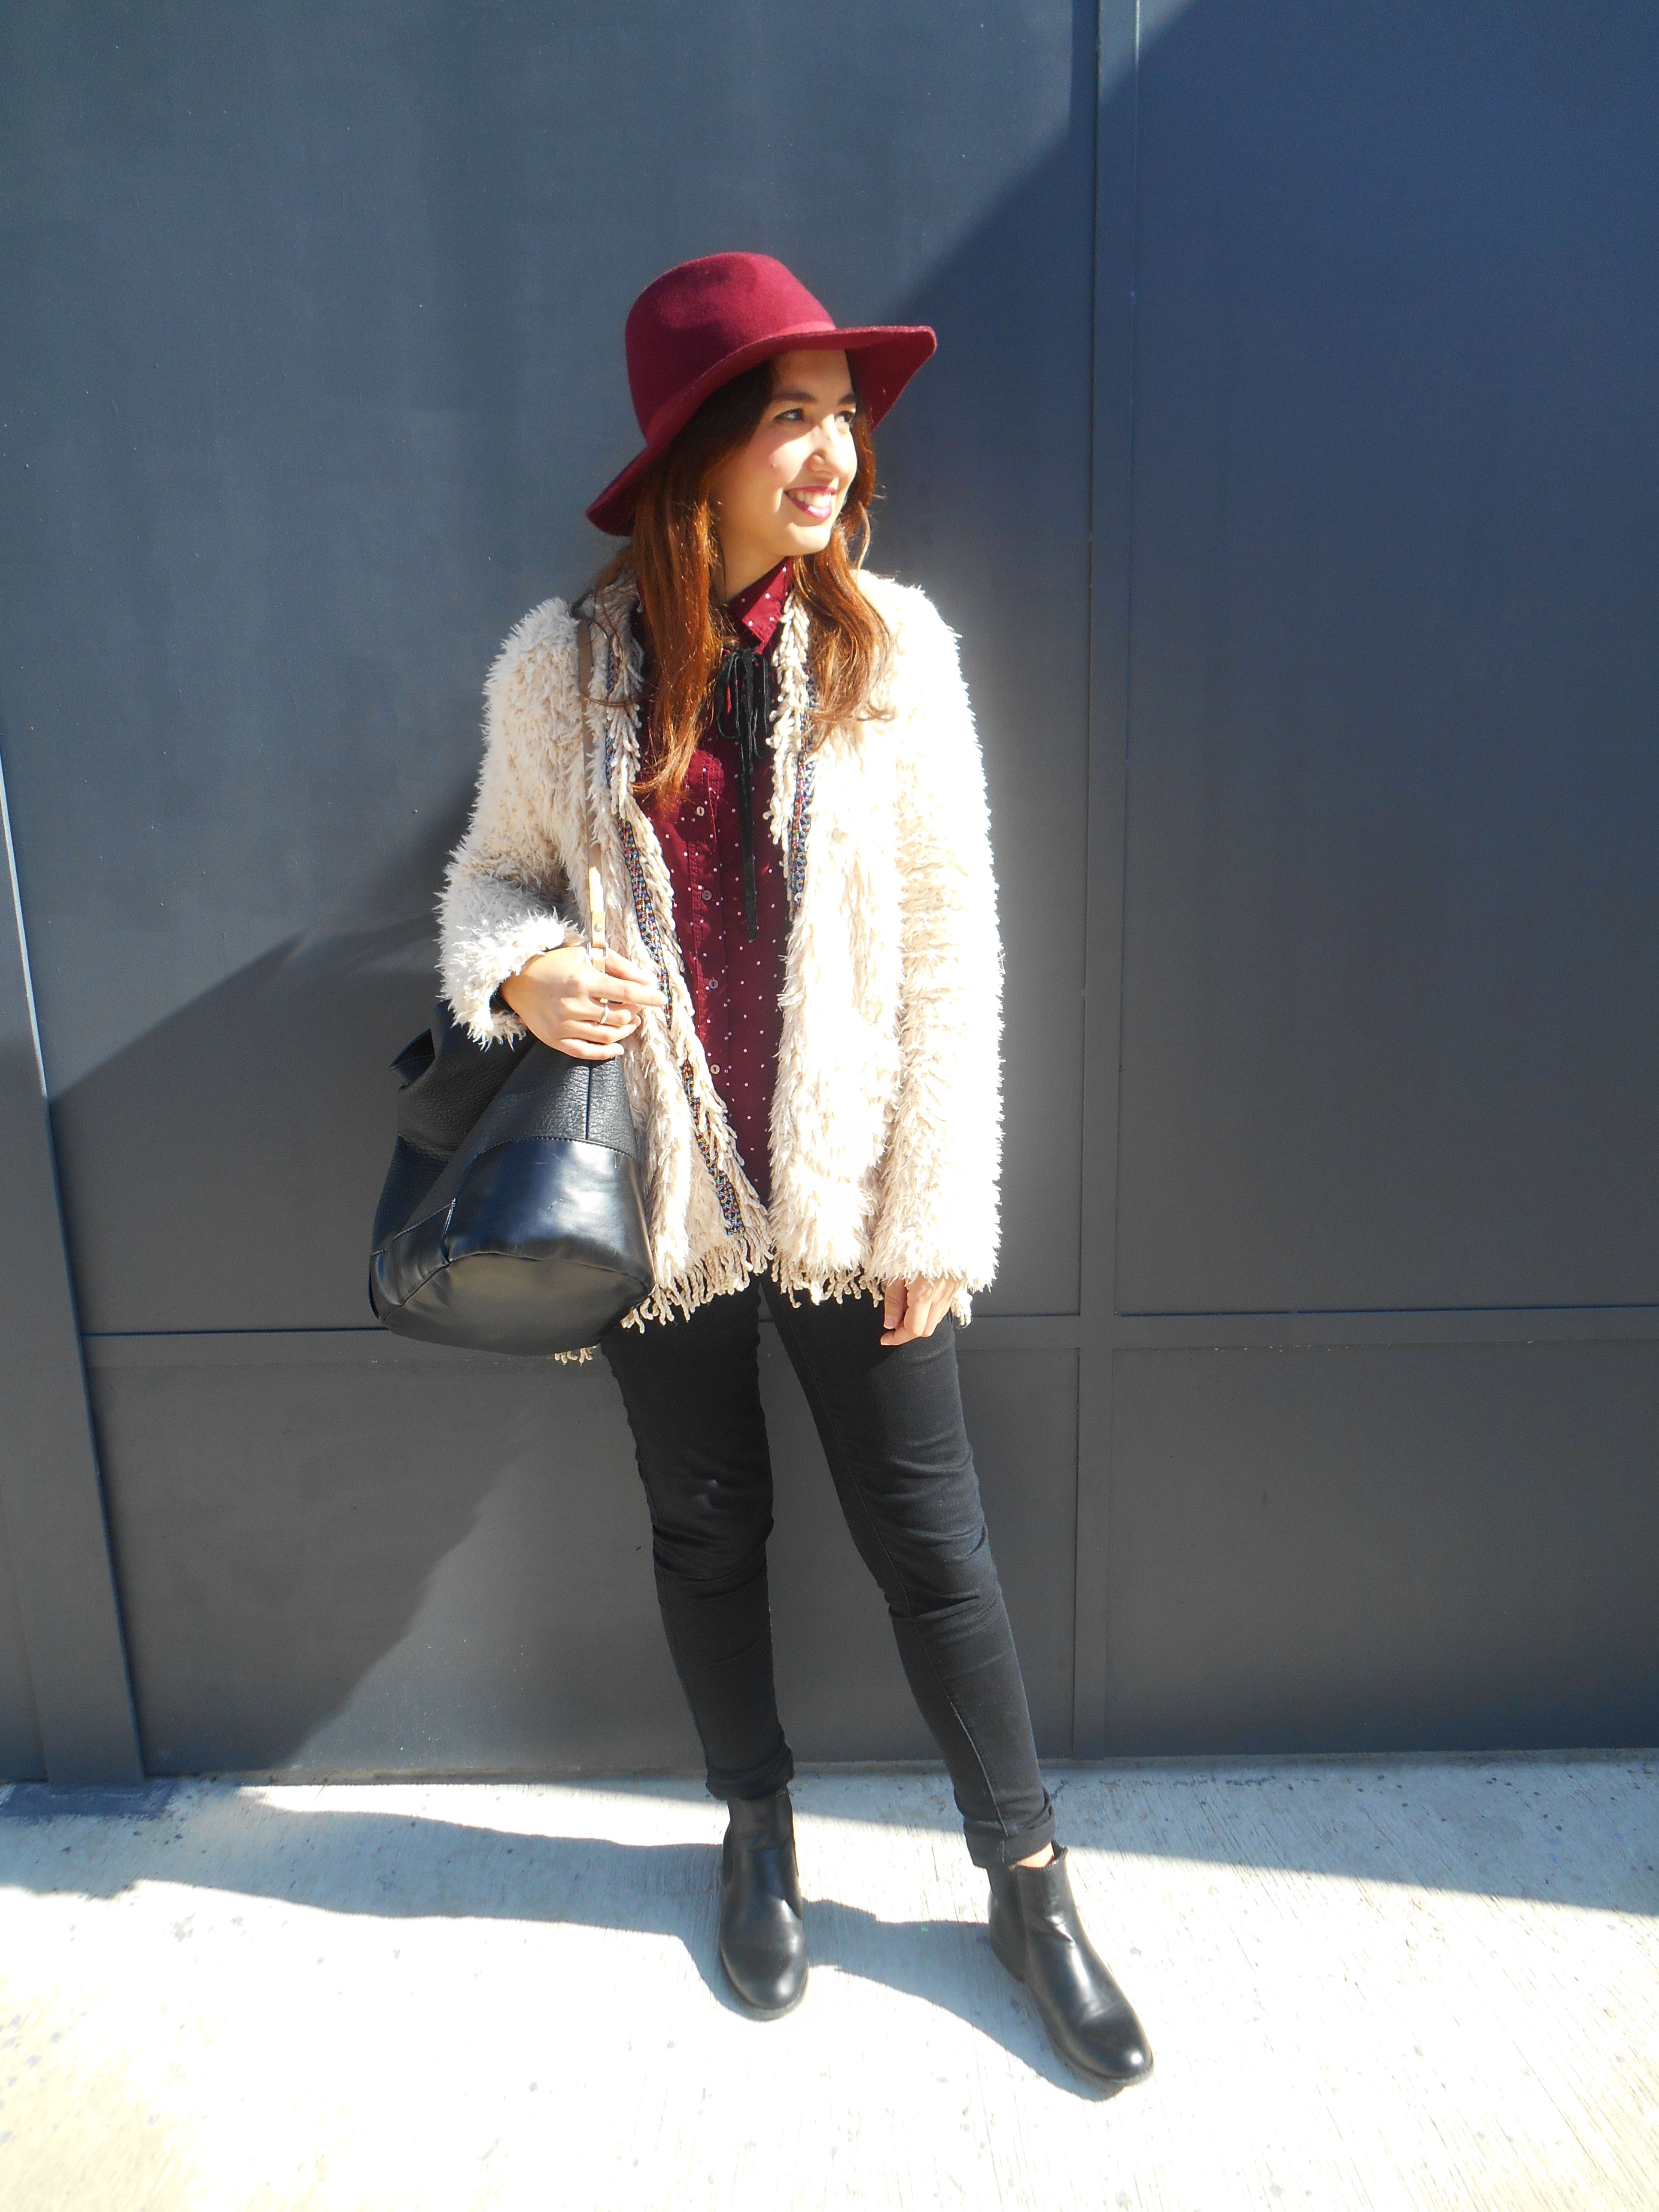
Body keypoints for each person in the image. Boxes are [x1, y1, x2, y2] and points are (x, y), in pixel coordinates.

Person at [438, 252, 1151, 2089]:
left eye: (844, 417)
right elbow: (491, 880)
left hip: (851, 1194)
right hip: (661, 1195)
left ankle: (1029, 1882)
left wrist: (943, 1209)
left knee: (935, 1546)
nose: (834, 452)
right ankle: (755, 1827)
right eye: (791, 416)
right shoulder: (564, 669)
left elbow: (956, 946)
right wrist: (521, 968)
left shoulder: (897, 652)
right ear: (701, 447)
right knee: (706, 1526)